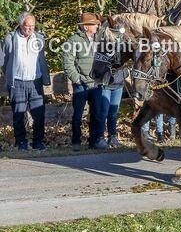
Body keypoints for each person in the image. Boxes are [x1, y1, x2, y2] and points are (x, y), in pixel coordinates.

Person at [0, 13, 51, 151]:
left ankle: (38, 141)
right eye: (27, 26)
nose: (30, 29)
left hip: (36, 81)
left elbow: (41, 58)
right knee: (18, 113)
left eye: (32, 26)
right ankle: (21, 142)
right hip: (17, 82)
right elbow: (3, 61)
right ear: (20, 25)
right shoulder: (10, 38)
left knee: (39, 113)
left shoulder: (39, 38)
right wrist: (10, 74)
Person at [62, 13, 106, 150]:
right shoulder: (73, 41)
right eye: (94, 24)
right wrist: (77, 79)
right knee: (77, 115)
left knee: (97, 114)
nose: (97, 26)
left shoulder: (100, 40)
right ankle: (76, 141)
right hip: (81, 84)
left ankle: (95, 140)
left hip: (96, 84)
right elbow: (67, 63)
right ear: (86, 27)